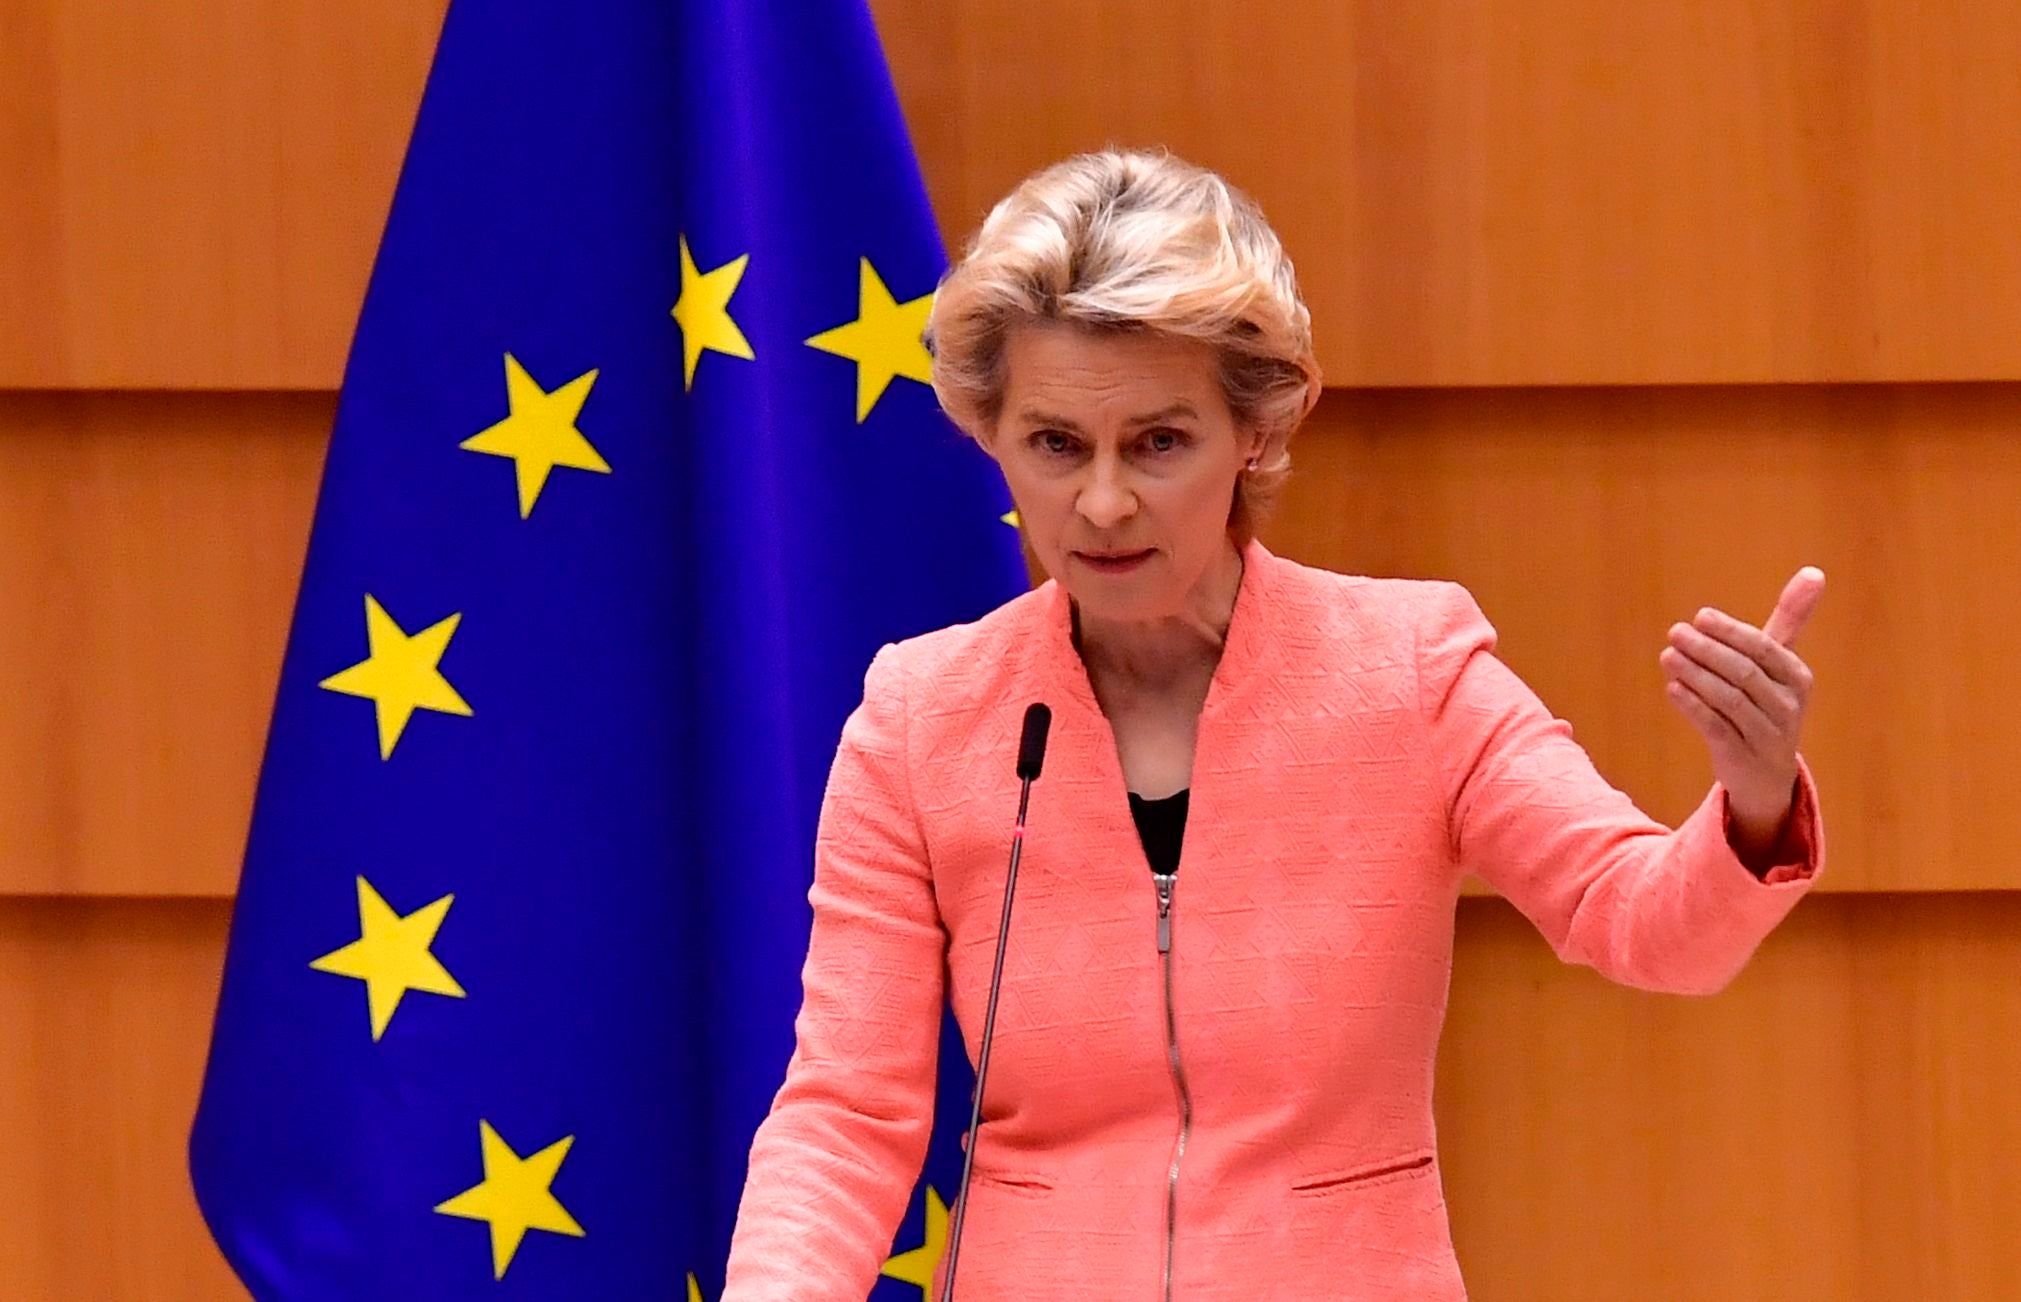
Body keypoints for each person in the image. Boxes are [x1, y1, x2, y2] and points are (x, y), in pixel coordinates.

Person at [720, 148, 1827, 1301]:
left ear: (1254, 429)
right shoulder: (919, 715)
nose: (1101, 504)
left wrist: (1750, 802)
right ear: (991, 435)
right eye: (1056, 445)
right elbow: (847, 1114)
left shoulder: (1410, 667)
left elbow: (1647, 926)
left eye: (1157, 442)